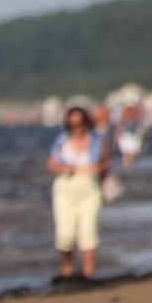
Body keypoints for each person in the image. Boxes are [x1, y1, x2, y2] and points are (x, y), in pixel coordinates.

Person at [47, 105, 110, 281]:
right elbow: (50, 165)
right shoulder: (62, 141)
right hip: (65, 188)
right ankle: (67, 272)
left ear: (86, 123)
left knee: (88, 232)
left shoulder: (97, 140)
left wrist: (98, 169)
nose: (76, 128)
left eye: (80, 123)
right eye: (72, 124)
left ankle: (88, 274)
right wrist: (65, 168)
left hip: (90, 188)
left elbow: (106, 163)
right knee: (65, 235)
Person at [116, 105, 145, 169]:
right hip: (125, 137)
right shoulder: (123, 121)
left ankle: (130, 166)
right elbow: (119, 129)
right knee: (126, 154)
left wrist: (141, 137)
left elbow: (139, 130)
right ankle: (126, 167)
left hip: (133, 137)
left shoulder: (135, 120)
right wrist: (117, 137)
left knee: (132, 154)